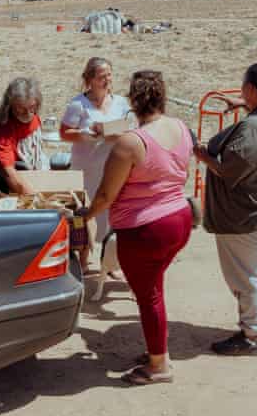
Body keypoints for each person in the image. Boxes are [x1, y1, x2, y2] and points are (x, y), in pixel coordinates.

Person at [76, 70, 194, 385]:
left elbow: (105, 195)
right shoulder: (181, 128)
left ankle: (159, 366)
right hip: (179, 220)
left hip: (145, 230)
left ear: (134, 100)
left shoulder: (131, 142)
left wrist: (84, 216)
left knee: (149, 295)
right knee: (154, 289)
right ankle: (158, 352)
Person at [193, 61, 257, 356]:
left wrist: (201, 154)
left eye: (243, 89)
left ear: (252, 89)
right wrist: (244, 103)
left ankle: (251, 336)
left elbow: (229, 169)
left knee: (246, 275)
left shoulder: (253, 129)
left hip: (248, 219)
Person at [59, 57, 132, 273]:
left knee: (112, 213)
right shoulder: (77, 104)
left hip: (113, 167)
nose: (107, 80)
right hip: (86, 168)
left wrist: (115, 131)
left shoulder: (120, 103)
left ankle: (109, 262)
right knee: (85, 213)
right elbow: (64, 133)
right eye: (102, 77)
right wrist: (86, 135)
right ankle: (82, 260)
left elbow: (129, 128)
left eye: (109, 75)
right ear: (89, 79)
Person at [0, 77, 47, 195]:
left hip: (28, 174)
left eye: (32, 107)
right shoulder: (2, 129)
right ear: (10, 105)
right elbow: (8, 173)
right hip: (1, 180)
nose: (28, 113)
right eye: (21, 108)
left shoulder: (33, 115)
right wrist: (38, 201)